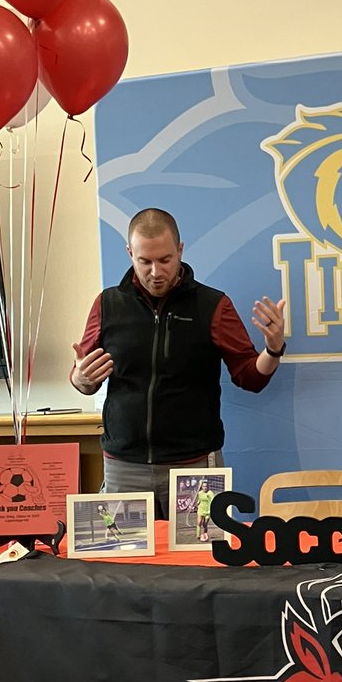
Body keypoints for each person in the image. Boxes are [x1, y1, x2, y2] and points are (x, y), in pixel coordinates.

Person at [70, 208, 286, 518]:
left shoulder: (213, 305)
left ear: (180, 250)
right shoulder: (107, 304)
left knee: (202, 560)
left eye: (165, 260)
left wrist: (273, 350)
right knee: (122, 564)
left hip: (194, 466)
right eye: (145, 261)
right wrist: (82, 378)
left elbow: (250, 377)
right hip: (124, 466)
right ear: (130, 254)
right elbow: (83, 378)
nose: (156, 272)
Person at [195, 478, 216, 542]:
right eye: (203, 486)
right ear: (201, 487)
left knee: (205, 524)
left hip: (208, 510)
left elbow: (213, 501)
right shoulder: (200, 493)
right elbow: (199, 500)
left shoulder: (210, 493)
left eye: (206, 486)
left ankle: (204, 534)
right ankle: (198, 535)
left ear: (208, 487)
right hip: (201, 509)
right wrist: (197, 503)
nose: (205, 488)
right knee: (199, 522)